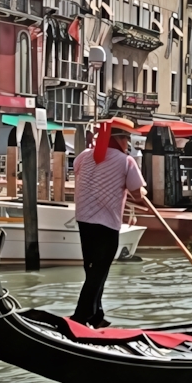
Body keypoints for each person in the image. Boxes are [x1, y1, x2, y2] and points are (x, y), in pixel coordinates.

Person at [70, 118, 147, 328]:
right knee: (99, 271)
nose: (128, 143)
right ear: (119, 139)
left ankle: (96, 315)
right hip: (106, 222)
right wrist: (142, 191)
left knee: (92, 269)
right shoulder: (125, 161)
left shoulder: (84, 156)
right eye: (126, 138)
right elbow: (138, 194)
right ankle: (81, 316)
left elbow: (78, 172)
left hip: (84, 219)